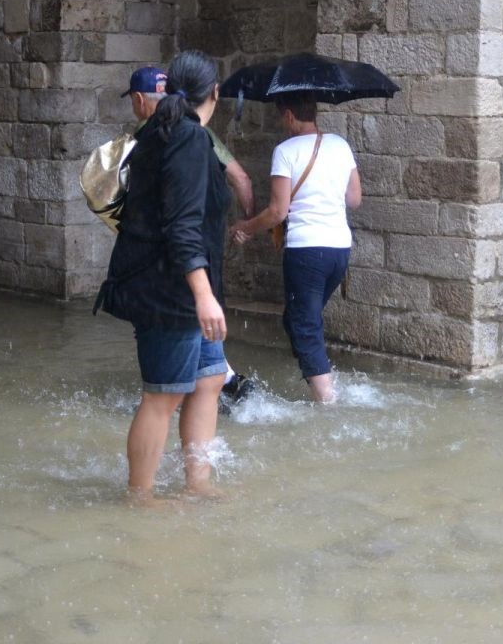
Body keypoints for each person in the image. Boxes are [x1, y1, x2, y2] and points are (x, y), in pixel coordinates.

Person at [96, 51, 230, 504]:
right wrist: (204, 294)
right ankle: (140, 496)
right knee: (162, 396)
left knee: (209, 380)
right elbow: (181, 226)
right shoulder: (186, 138)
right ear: (215, 92)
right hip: (170, 289)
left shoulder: (171, 131)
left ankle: (198, 483)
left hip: (186, 285)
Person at [123, 65, 257, 408]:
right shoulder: (196, 136)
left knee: (170, 390)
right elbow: (240, 179)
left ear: (139, 100)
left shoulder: (146, 137)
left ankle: (223, 380)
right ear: (212, 92)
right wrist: (246, 224)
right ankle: (225, 380)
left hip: (161, 272)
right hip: (191, 266)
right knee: (172, 391)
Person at [231, 94, 361, 403]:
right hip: (339, 249)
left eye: (281, 117)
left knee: (304, 325)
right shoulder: (340, 145)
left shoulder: (285, 150)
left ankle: (327, 402)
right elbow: (354, 199)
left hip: (306, 251)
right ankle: (316, 373)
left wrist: (244, 228)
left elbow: (278, 211)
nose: (281, 123)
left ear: (289, 115)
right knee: (297, 318)